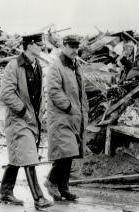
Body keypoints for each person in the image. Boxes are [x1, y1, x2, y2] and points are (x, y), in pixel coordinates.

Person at [0, 33, 53, 209]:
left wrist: (41, 110)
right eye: (39, 45)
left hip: (33, 119)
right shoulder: (13, 66)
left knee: (18, 156)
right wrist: (24, 111)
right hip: (18, 120)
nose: (42, 47)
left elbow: (39, 93)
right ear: (29, 45)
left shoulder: (37, 65)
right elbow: (6, 94)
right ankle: (38, 198)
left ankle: (6, 193)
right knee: (29, 156)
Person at [44, 35, 88, 201]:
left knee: (70, 153)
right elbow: (54, 91)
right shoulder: (57, 66)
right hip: (61, 116)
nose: (74, 50)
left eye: (76, 47)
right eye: (71, 46)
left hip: (74, 117)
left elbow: (80, 91)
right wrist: (69, 107)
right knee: (66, 151)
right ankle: (51, 181)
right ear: (63, 46)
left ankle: (63, 187)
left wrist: (82, 112)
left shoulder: (76, 65)